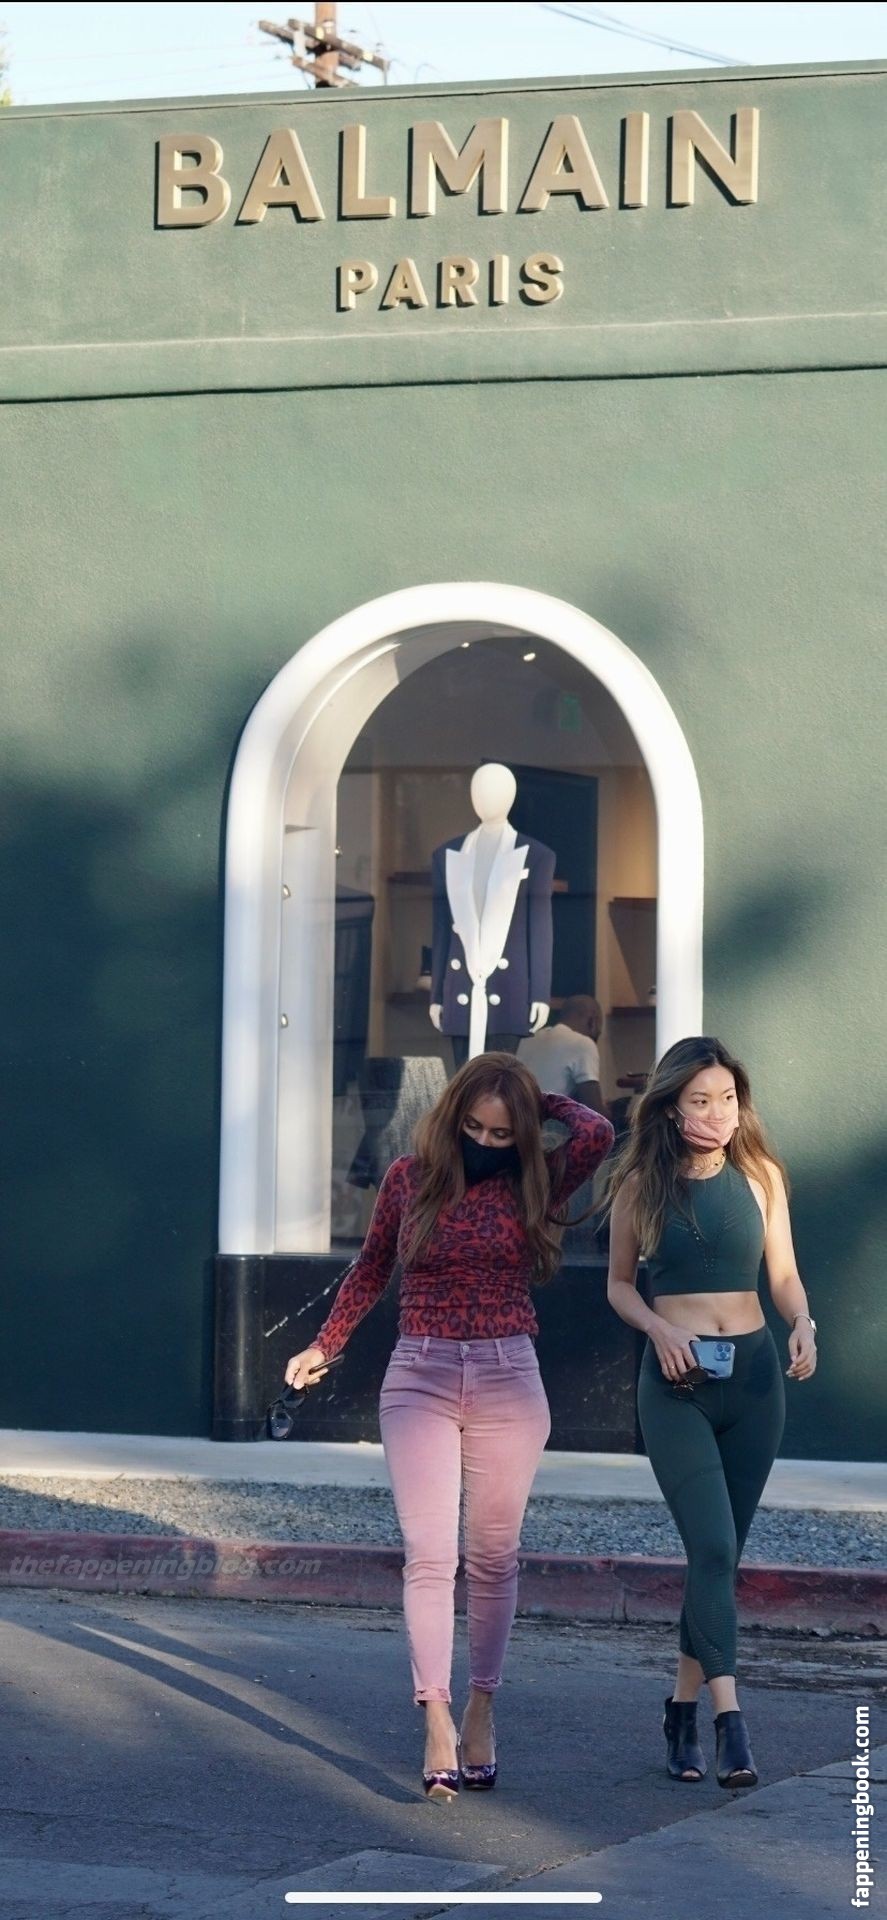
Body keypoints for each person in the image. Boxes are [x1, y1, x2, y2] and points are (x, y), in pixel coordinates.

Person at [284, 1053, 614, 1802]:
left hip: (508, 1375)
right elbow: (371, 1268)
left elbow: (595, 1133)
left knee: (493, 1559)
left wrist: (531, 1097)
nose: (486, 1142)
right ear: (451, 1118)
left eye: (502, 1132)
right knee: (429, 1556)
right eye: (473, 1126)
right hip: (420, 1373)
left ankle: (480, 1709)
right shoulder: (411, 1178)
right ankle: (434, 1716)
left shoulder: (536, 1179)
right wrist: (323, 1345)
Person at [604, 1036, 816, 1791]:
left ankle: (680, 1712)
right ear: (670, 1107)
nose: (719, 1114)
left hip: (754, 1384)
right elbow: (618, 1285)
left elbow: (783, 1275)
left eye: (728, 1099)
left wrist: (802, 1322)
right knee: (716, 1548)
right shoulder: (641, 1185)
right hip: (677, 1385)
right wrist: (658, 1328)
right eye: (701, 1100)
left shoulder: (760, 1176)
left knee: (715, 1561)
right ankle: (731, 1723)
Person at [517, 994, 609, 1117]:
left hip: (518, 1119)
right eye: (598, 1032)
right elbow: (594, 1111)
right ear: (592, 1021)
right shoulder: (583, 1043)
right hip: (546, 1124)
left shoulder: (530, 1039)